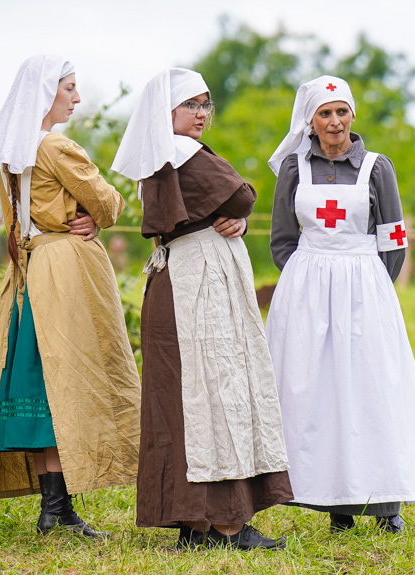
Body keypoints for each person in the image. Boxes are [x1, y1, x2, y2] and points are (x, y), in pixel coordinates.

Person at [111, 68, 293, 551]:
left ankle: (197, 524)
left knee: (185, 400)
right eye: (189, 104)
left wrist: (230, 220)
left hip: (176, 279)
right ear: (164, 112)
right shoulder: (182, 151)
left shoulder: (160, 156)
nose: (200, 114)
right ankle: (227, 524)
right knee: (214, 393)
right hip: (197, 284)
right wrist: (235, 214)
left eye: (204, 105)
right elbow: (242, 195)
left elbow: (213, 210)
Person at [266, 75, 415, 534]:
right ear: (310, 120)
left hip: (363, 290)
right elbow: (283, 239)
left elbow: (393, 238)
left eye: (341, 112)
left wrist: (368, 286)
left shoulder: (376, 167)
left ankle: (387, 505)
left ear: (353, 115)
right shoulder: (295, 168)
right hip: (308, 294)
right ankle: (335, 507)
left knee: (371, 390)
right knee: (318, 395)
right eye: (325, 113)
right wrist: (310, 282)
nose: (334, 122)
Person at [0, 55, 141, 538]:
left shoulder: (12, 153)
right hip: (63, 273)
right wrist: (94, 216)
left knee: (44, 384)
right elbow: (109, 203)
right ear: (45, 93)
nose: (76, 97)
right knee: (67, 378)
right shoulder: (55, 146)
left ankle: (57, 509)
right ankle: (58, 509)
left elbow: (13, 225)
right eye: (68, 88)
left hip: (29, 274)